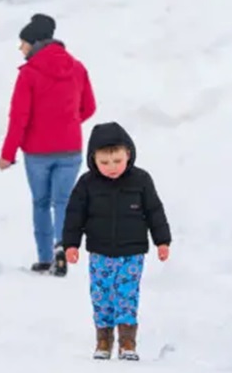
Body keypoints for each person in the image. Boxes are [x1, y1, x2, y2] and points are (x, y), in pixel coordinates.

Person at [62, 121, 171, 361]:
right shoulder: (87, 184)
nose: (111, 167)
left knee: (127, 295)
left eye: (117, 161)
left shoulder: (141, 181)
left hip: (132, 253)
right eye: (104, 162)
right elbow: (74, 215)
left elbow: (155, 211)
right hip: (100, 252)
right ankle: (103, 339)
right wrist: (71, 244)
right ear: (93, 159)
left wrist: (162, 241)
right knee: (101, 295)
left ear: (128, 154)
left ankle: (127, 341)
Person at [0, 13, 97, 277]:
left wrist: (7, 154)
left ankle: (44, 259)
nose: (21, 49)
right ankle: (61, 247)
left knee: (42, 203)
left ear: (34, 42)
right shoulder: (77, 68)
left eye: (23, 43)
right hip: (70, 149)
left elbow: (19, 118)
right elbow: (89, 107)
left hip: (38, 153)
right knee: (62, 201)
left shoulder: (29, 74)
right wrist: (69, 122)